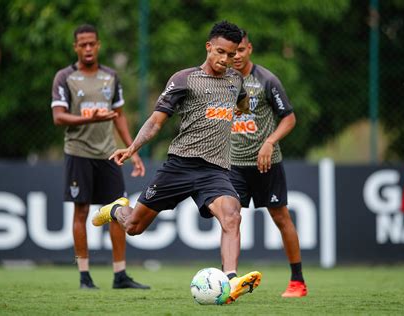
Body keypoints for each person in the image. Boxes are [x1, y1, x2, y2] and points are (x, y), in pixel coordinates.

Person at [92, 21, 261, 304]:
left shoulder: (236, 80)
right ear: (208, 47)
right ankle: (117, 210)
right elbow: (156, 121)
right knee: (134, 227)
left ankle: (230, 279)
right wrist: (132, 147)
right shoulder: (184, 79)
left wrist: (240, 111)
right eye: (220, 51)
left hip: (214, 170)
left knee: (232, 215)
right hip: (180, 165)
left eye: (231, 55)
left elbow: (242, 102)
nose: (224, 59)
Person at [51, 24, 150, 290]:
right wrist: (88, 117)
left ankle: (120, 275)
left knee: (117, 211)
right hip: (78, 154)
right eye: (82, 44)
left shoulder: (110, 76)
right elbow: (58, 117)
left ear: (98, 45)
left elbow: (119, 116)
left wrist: (133, 150)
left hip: (108, 155)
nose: (87, 49)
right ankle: (84, 275)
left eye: (91, 43)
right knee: (81, 211)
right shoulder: (65, 77)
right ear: (76, 47)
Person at [230, 29, 307, 298]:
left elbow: (289, 118)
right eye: (231, 51)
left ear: (249, 49)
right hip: (233, 165)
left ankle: (297, 281)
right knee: (231, 219)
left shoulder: (266, 80)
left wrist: (270, 141)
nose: (236, 56)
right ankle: (231, 281)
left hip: (266, 164)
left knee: (280, 216)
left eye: (240, 50)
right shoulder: (220, 81)